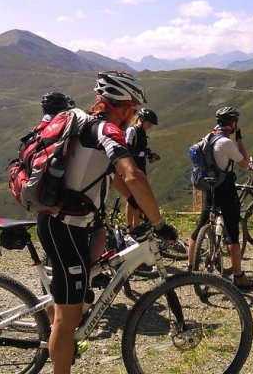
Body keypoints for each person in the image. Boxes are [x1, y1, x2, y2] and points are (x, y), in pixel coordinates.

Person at [36, 71, 177, 374]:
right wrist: (158, 222)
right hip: (65, 228)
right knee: (67, 316)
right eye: (132, 108)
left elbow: (111, 176)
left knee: (74, 294)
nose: (133, 115)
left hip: (72, 223)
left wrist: (133, 202)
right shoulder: (105, 130)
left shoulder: (86, 125)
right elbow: (132, 174)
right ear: (121, 106)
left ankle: (57, 320)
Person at [187, 106, 253, 289]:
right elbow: (244, 163)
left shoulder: (207, 138)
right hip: (225, 188)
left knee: (200, 225)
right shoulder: (226, 143)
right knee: (232, 231)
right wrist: (239, 140)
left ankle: (190, 268)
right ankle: (238, 276)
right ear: (233, 124)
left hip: (208, 187)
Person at [124, 107, 160, 227]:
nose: (150, 126)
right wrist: (145, 154)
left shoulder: (142, 133)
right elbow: (126, 150)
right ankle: (131, 227)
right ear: (142, 119)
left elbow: (140, 149)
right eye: (149, 123)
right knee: (133, 200)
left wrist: (150, 154)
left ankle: (136, 226)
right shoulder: (132, 131)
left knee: (137, 200)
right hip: (131, 169)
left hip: (139, 168)